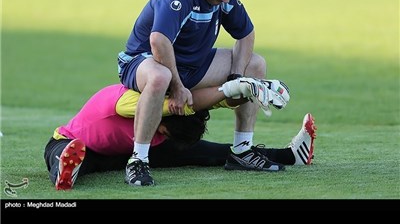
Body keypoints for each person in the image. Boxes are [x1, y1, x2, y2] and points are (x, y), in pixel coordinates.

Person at [117, 0, 291, 186]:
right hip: (144, 61)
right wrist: (177, 87)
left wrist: (236, 77)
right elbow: (158, 41)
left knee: (256, 65)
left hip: (191, 64)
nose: (227, 1)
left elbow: (246, 34)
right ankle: (138, 161)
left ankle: (242, 151)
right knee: (161, 77)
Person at [44, 82, 317, 190]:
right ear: (162, 118)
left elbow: (200, 105)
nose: (158, 131)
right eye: (161, 128)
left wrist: (242, 91)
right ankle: (65, 170)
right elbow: (163, 109)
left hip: (132, 153)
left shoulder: (170, 124)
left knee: (213, 152)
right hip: (83, 145)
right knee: (70, 154)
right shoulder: (127, 101)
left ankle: (292, 155)